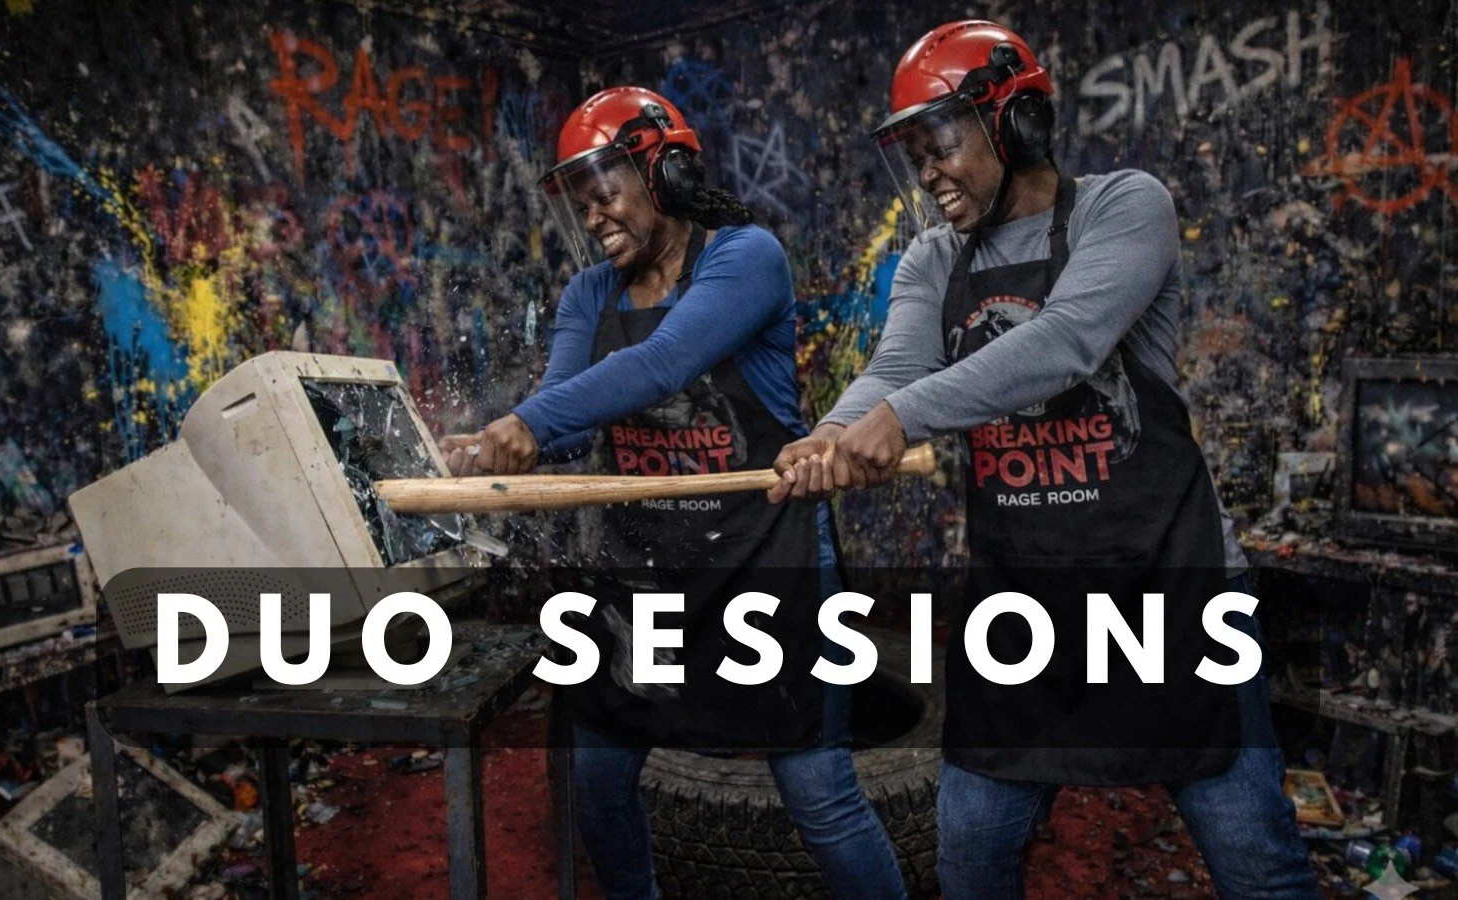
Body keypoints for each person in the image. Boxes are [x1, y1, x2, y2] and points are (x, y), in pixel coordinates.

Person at [769, 22, 1319, 899]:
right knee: (971, 861)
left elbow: (1064, 344)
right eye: (913, 153)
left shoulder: (1123, 206)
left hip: (1170, 597)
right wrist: (829, 434)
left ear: (1014, 122)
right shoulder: (933, 257)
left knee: (1260, 865)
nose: (927, 173)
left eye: (940, 142)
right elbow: (897, 369)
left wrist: (899, 418)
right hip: (1020, 611)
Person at [441, 87, 907, 900]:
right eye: (581, 202)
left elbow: (659, 365)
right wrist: (490, 454)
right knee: (598, 776)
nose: (593, 214)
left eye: (606, 189)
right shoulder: (589, 297)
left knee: (818, 793)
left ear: (663, 171)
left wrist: (524, 420)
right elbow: (572, 423)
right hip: (646, 577)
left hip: (768, 565)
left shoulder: (745, 256)